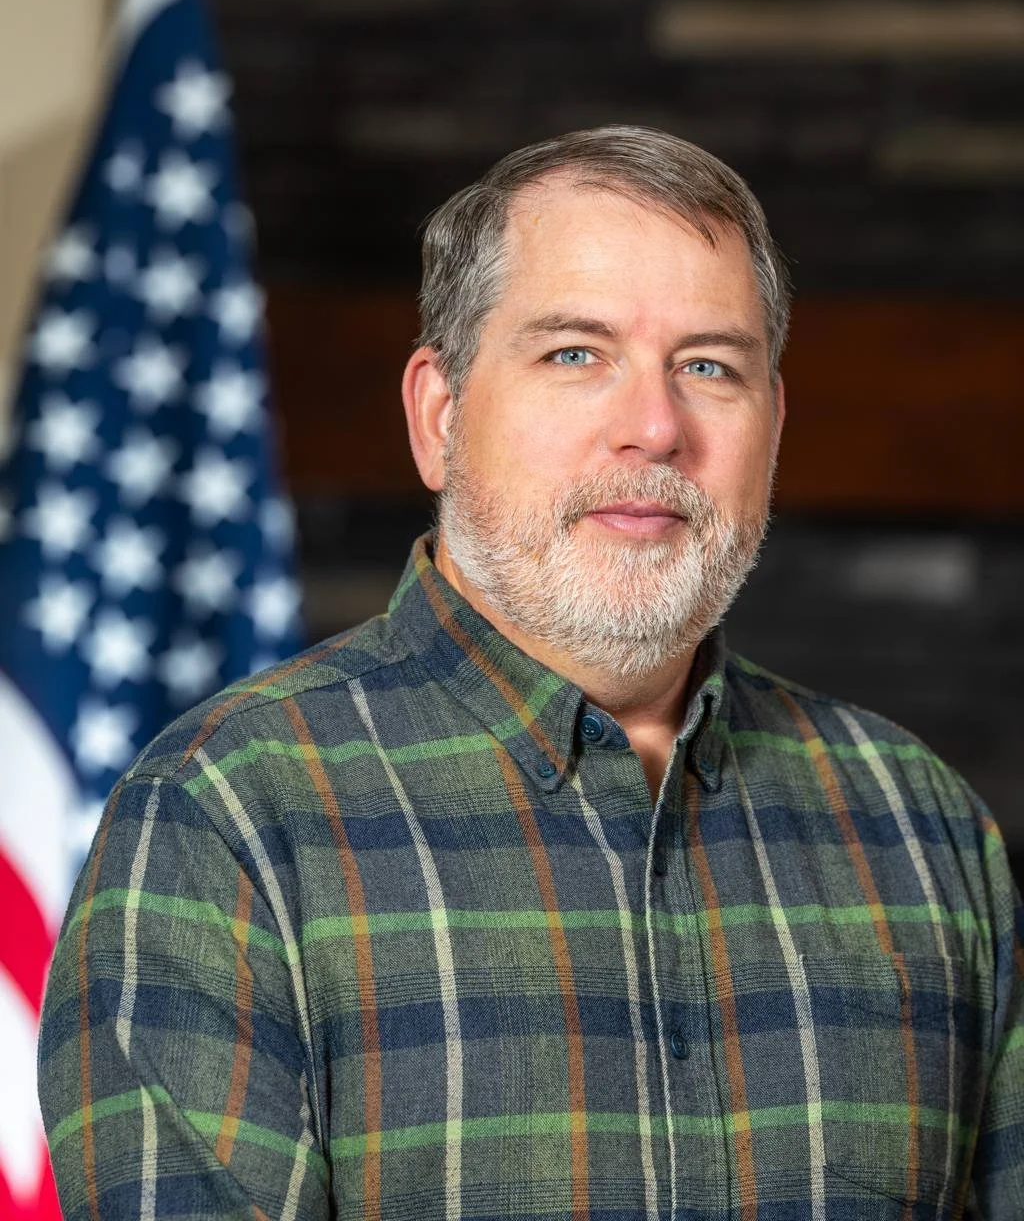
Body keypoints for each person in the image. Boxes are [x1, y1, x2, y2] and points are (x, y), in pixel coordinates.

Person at [39, 126, 1023, 1220]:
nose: (653, 426)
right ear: (438, 414)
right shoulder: (226, 816)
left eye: (708, 365)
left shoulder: (923, 827)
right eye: (574, 353)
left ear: (773, 424)